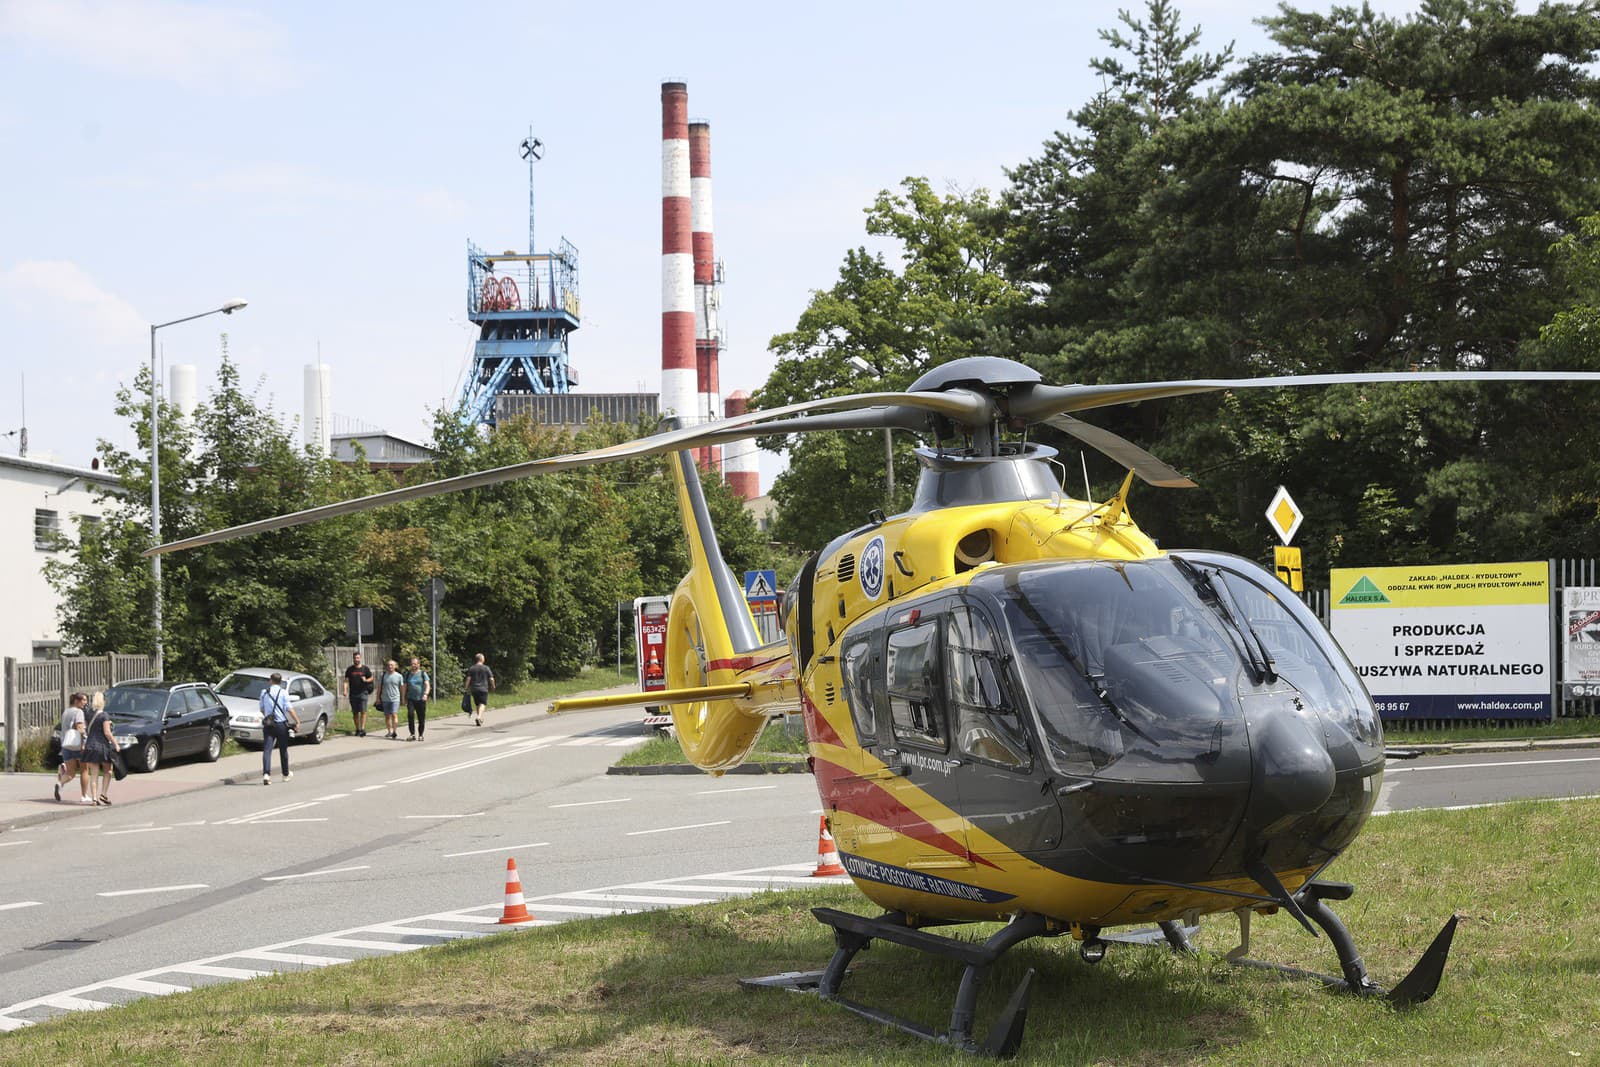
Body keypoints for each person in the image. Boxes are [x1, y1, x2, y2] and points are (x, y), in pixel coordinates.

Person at [259, 672, 300, 785]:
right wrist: (297, 721)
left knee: (267, 749)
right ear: (280, 682)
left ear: (270, 680)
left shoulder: (264, 692)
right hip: (281, 725)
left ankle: (266, 774)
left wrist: (268, 717)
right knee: (283, 749)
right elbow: (289, 709)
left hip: (268, 724)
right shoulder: (283, 693)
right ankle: (285, 774)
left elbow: (261, 709)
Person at [53, 692, 92, 805]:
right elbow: (79, 727)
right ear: (76, 701)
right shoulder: (78, 712)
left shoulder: (66, 711)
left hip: (66, 744)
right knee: (84, 770)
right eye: (83, 700)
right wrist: (85, 738)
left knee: (70, 772)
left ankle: (60, 784)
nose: (85, 703)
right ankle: (84, 796)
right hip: (78, 745)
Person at [80, 691, 117, 806]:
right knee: (108, 770)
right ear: (103, 702)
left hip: (90, 746)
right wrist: (116, 744)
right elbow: (107, 732)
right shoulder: (104, 715)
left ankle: (94, 799)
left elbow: (87, 729)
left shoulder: (89, 714)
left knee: (94, 774)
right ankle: (104, 794)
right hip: (102, 746)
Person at [343, 652, 375, 738]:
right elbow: (346, 681)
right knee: (355, 713)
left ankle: (363, 729)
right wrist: (345, 690)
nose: (356, 659)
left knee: (363, 711)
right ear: (353, 659)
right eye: (355, 658)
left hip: (363, 692)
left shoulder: (365, 669)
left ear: (360, 658)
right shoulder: (350, 669)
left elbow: (372, 678)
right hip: (353, 693)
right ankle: (357, 729)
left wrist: (366, 680)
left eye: (358, 658)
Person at [403, 656, 431, 741]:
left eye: (415, 664)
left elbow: (427, 685)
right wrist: (403, 698)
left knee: (421, 717)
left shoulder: (423, 674)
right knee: (410, 715)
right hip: (411, 698)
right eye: (412, 664)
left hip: (421, 699)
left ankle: (421, 734)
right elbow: (404, 686)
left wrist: (425, 694)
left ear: (419, 664)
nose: (413, 665)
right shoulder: (407, 674)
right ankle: (412, 734)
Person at [466, 652, 495, 727]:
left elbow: (468, 679)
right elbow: (491, 679)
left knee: (477, 704)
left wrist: (466, 687)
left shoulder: (472, 668)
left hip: (474, 689)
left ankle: (479, 718)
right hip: (483, 688)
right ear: (482, 659)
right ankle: (479, 717)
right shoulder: (486, 668)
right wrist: (493, 686)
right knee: (483, 703)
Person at [378, 660, 404, 740]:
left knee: (394, 714)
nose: (390, 666)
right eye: (389, 665)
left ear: (395, 666)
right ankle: (389, 731)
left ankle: (394, 731)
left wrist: (402, 698)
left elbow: (402, 688)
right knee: (387, 716)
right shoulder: (383, 676)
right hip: (385, 698)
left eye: (392, 665)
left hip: (395, 698)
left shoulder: (399, 676)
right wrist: (378, 698)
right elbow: (379, 687)